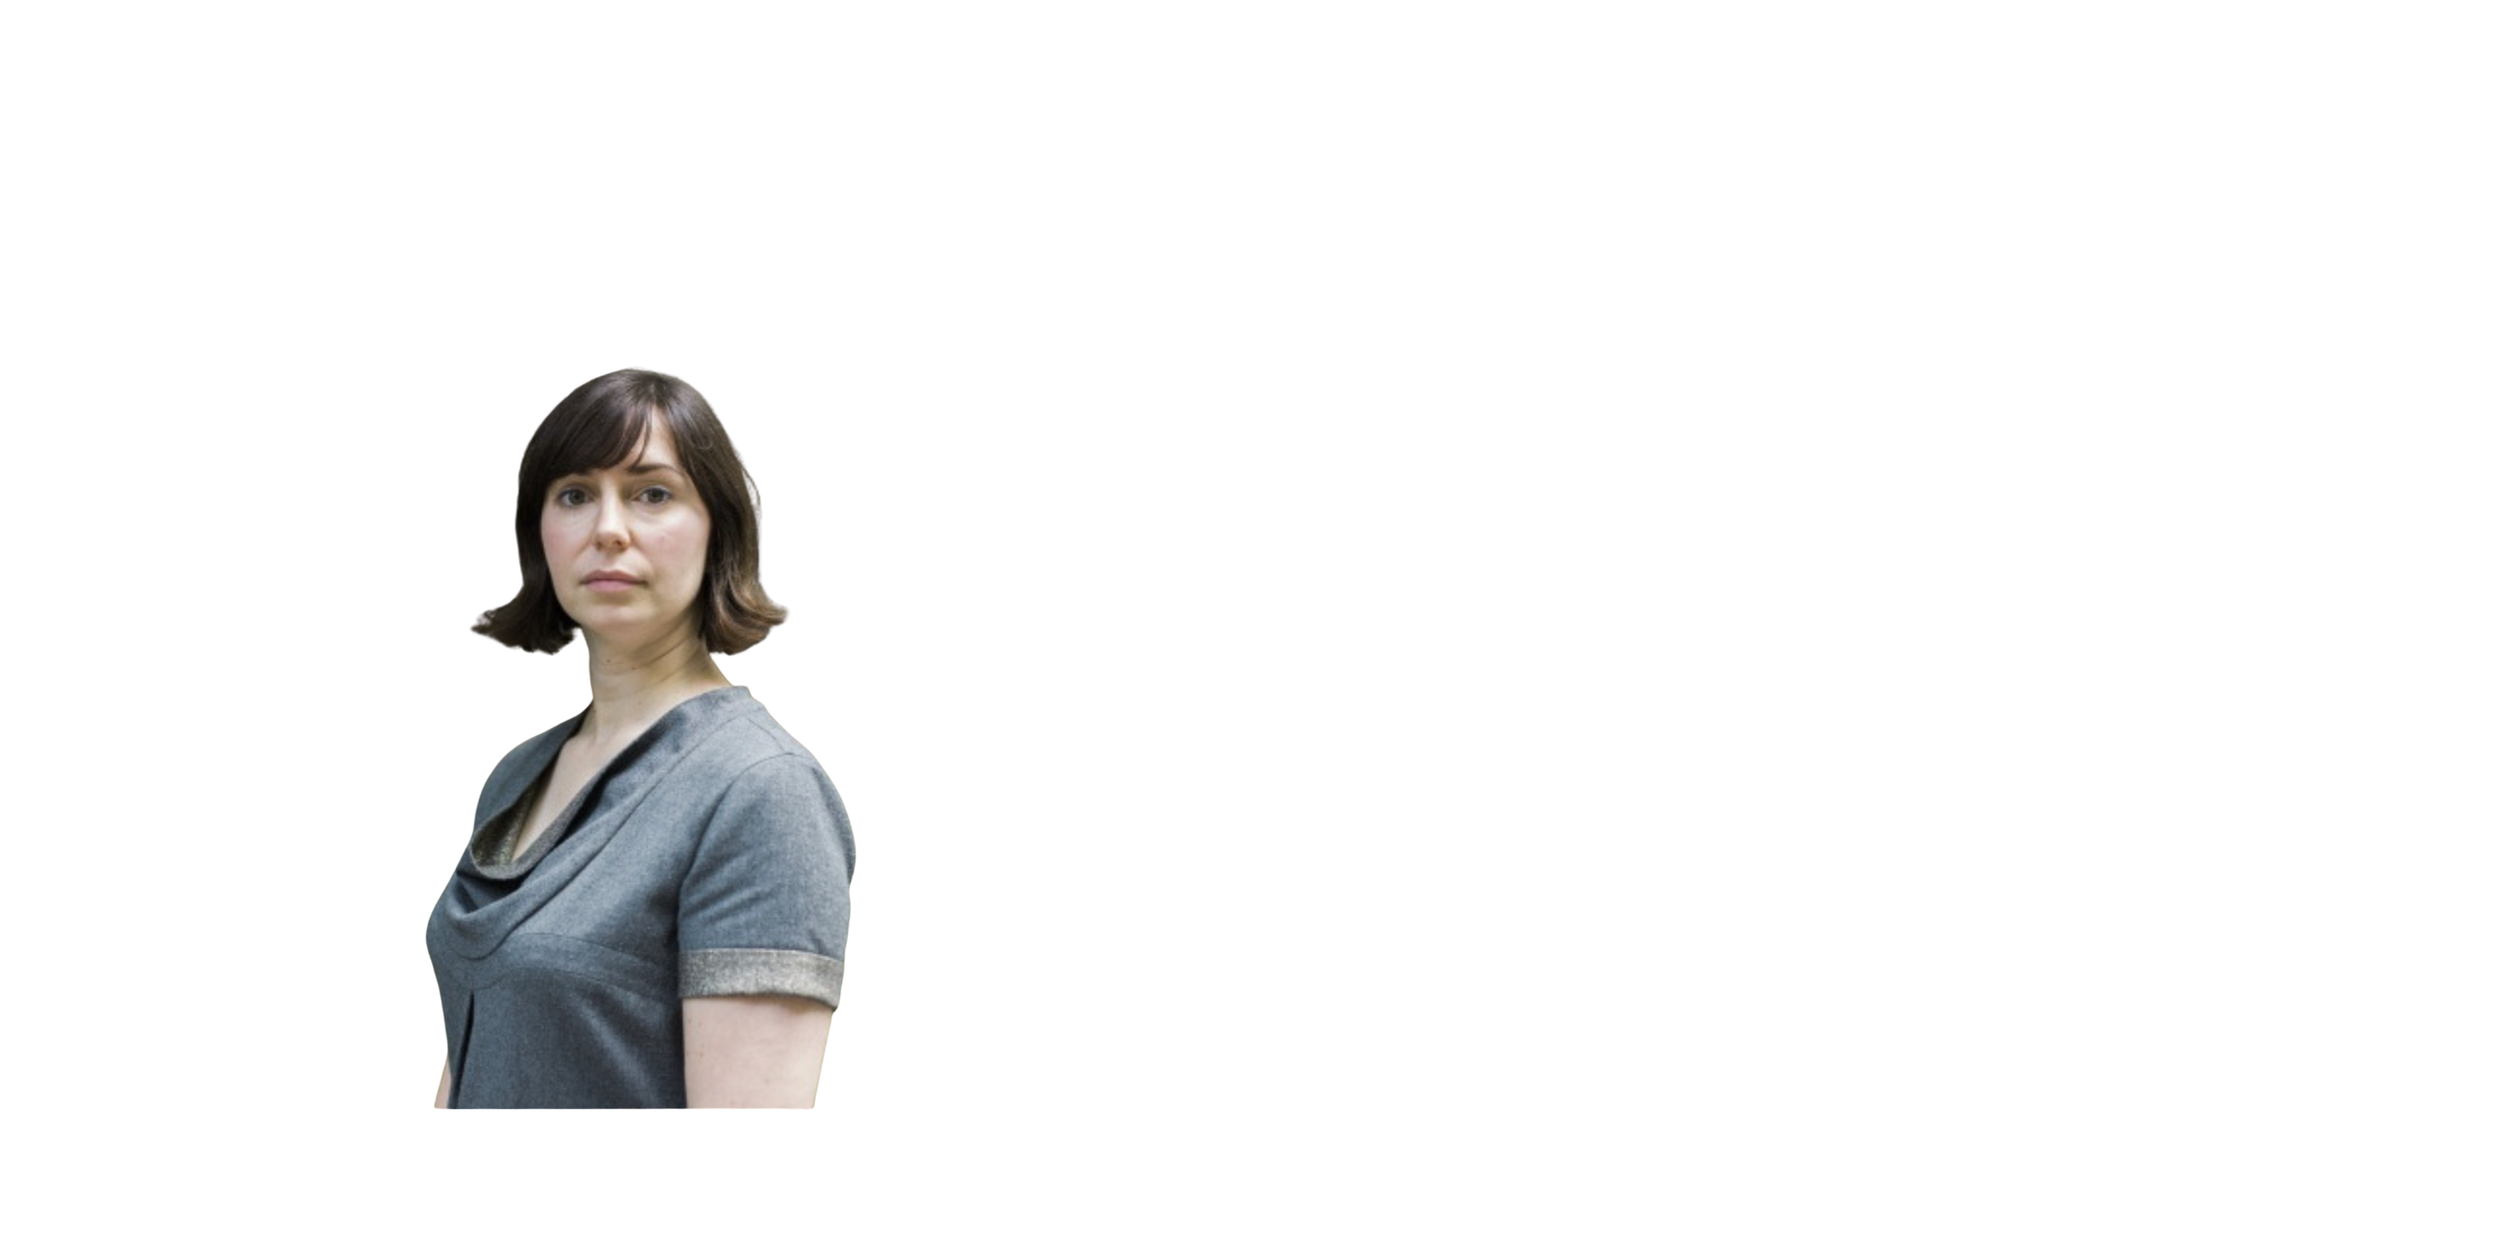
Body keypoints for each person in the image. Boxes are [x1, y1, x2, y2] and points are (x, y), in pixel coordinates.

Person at [425, 369, 855, 1108]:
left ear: (718, 528)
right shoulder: (517, 777)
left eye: (652, 493)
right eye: (574, 495)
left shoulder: (761, 791)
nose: (608, 529)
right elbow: (485, 1048)